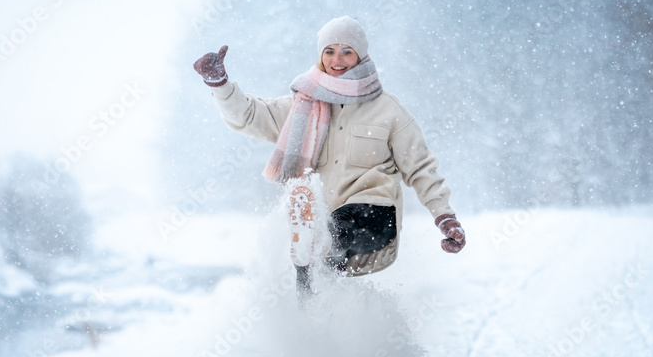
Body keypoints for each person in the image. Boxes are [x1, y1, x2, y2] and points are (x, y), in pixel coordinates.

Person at [193, 15, 465, 298]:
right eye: (330, 51)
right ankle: (313, 326)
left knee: (332, 231)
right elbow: (249, 115)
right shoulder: (302, 106)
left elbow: (420, 168)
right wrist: (220, 85)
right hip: (321, 222)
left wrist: (444, 216)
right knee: (316, 279)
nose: (338, 59)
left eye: (347, 51)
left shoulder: (388, 110)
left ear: (361, 56)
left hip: (374, 214)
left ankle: (315, 247)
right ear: (321, 56)